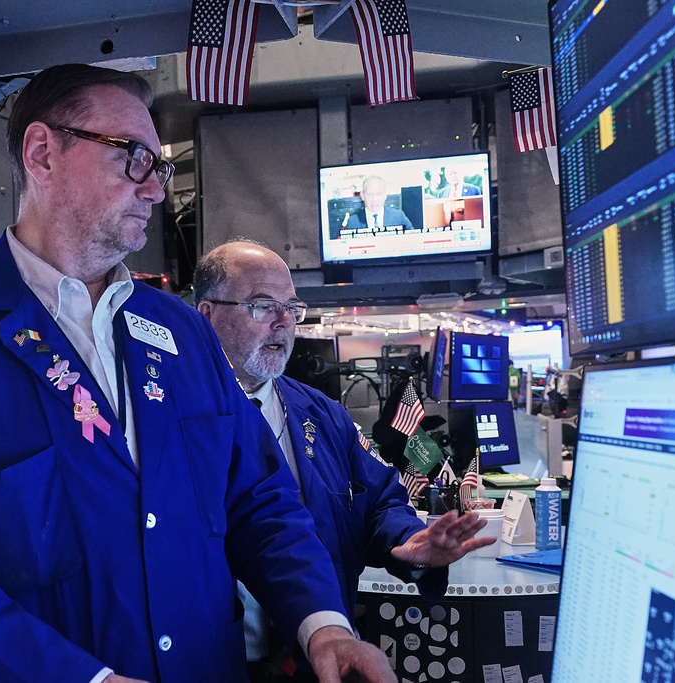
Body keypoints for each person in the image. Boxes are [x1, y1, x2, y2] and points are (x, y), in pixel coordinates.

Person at [0, 64, 397, 683]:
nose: (154, 189)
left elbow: (260, 500)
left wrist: (323, 625)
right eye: (133, 158)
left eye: (160, 167)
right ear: (43, 152)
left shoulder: (183, 333)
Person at [194, 241, 496, 682]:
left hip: (317, 661)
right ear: (206, 313)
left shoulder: (323, 414)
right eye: (262, 306)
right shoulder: (171, 417)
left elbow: (378, 501)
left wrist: (413, 544)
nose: (283, 322)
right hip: (212, 664)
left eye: (291, 307)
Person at [344, 176, 414, 232]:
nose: (374, 199)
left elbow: (414, 239)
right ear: (362, 196)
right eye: (370, 194)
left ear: (385, 195)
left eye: (379, 194)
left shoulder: (398, 217)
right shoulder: (352, 222)